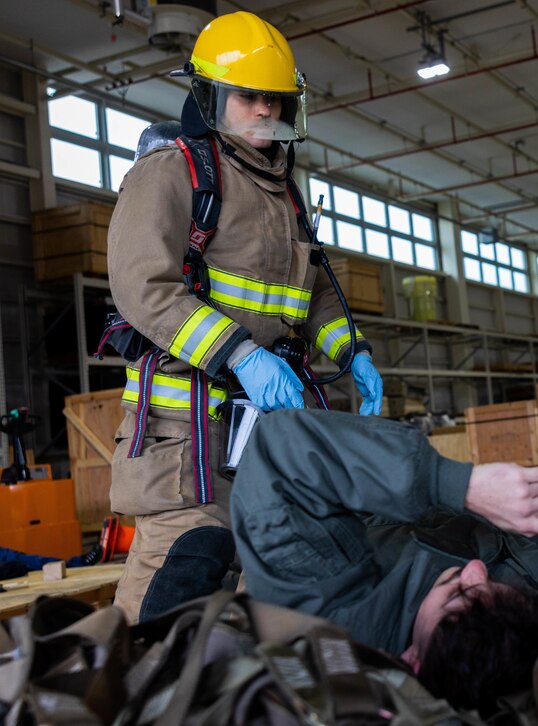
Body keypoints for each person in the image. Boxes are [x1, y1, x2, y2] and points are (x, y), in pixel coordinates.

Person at [106, 11, 383, 623]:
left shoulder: (283, 189)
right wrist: (240, 353)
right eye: (247, 96)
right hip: (185, 438)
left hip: (266, 433)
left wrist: (350, 351)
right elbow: (140, 285)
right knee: (170, 599)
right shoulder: (172, 172)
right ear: (211, 97)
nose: (263, 110)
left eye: (274, 98)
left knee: (268, 600)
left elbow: (311, 295)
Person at [230, 408, 538, 712]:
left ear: (410, 659)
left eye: (456, 594)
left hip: (426, 522)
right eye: (484, 586)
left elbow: (278, 449)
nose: (473, 571)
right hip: (524, 558)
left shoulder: (329, 608)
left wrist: (453, 484)